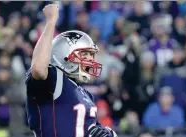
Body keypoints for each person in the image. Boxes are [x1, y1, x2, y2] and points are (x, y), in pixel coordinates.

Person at [25, 4, 118, 137]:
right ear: (65, 54)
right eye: (85, 55)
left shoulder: (84, 93)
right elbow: (38, 69)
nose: (90, 62)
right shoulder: (54, 80)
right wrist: (51, 22)